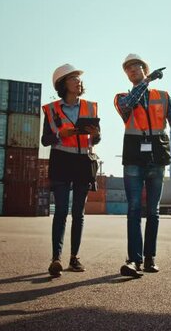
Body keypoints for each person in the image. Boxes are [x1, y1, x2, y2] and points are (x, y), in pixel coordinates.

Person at [113, 54, 171, 278]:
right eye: (127, 70)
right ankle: (133, 260)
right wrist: (146, 82)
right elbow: (130, 104)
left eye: (135, 67)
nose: (132, 71)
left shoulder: (164, 96)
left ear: (144, 68)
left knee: (153, 211)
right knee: (133, 209)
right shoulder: (121, 98)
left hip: (157, 157)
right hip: (133, 158)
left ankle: (149, 259)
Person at [41, 64, 100, 278]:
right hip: (61, 161)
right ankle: (56, 258)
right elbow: (45, 140)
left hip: (83, 161)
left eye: (78, 78)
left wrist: (95, 136)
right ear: (63, 84)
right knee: (61, 210)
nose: (78, 81)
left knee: (78, 213)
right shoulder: (51, 109)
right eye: (73, 78)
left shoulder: (91, 107)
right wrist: (59, 135)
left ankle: (74, 258)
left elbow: (97, 138)